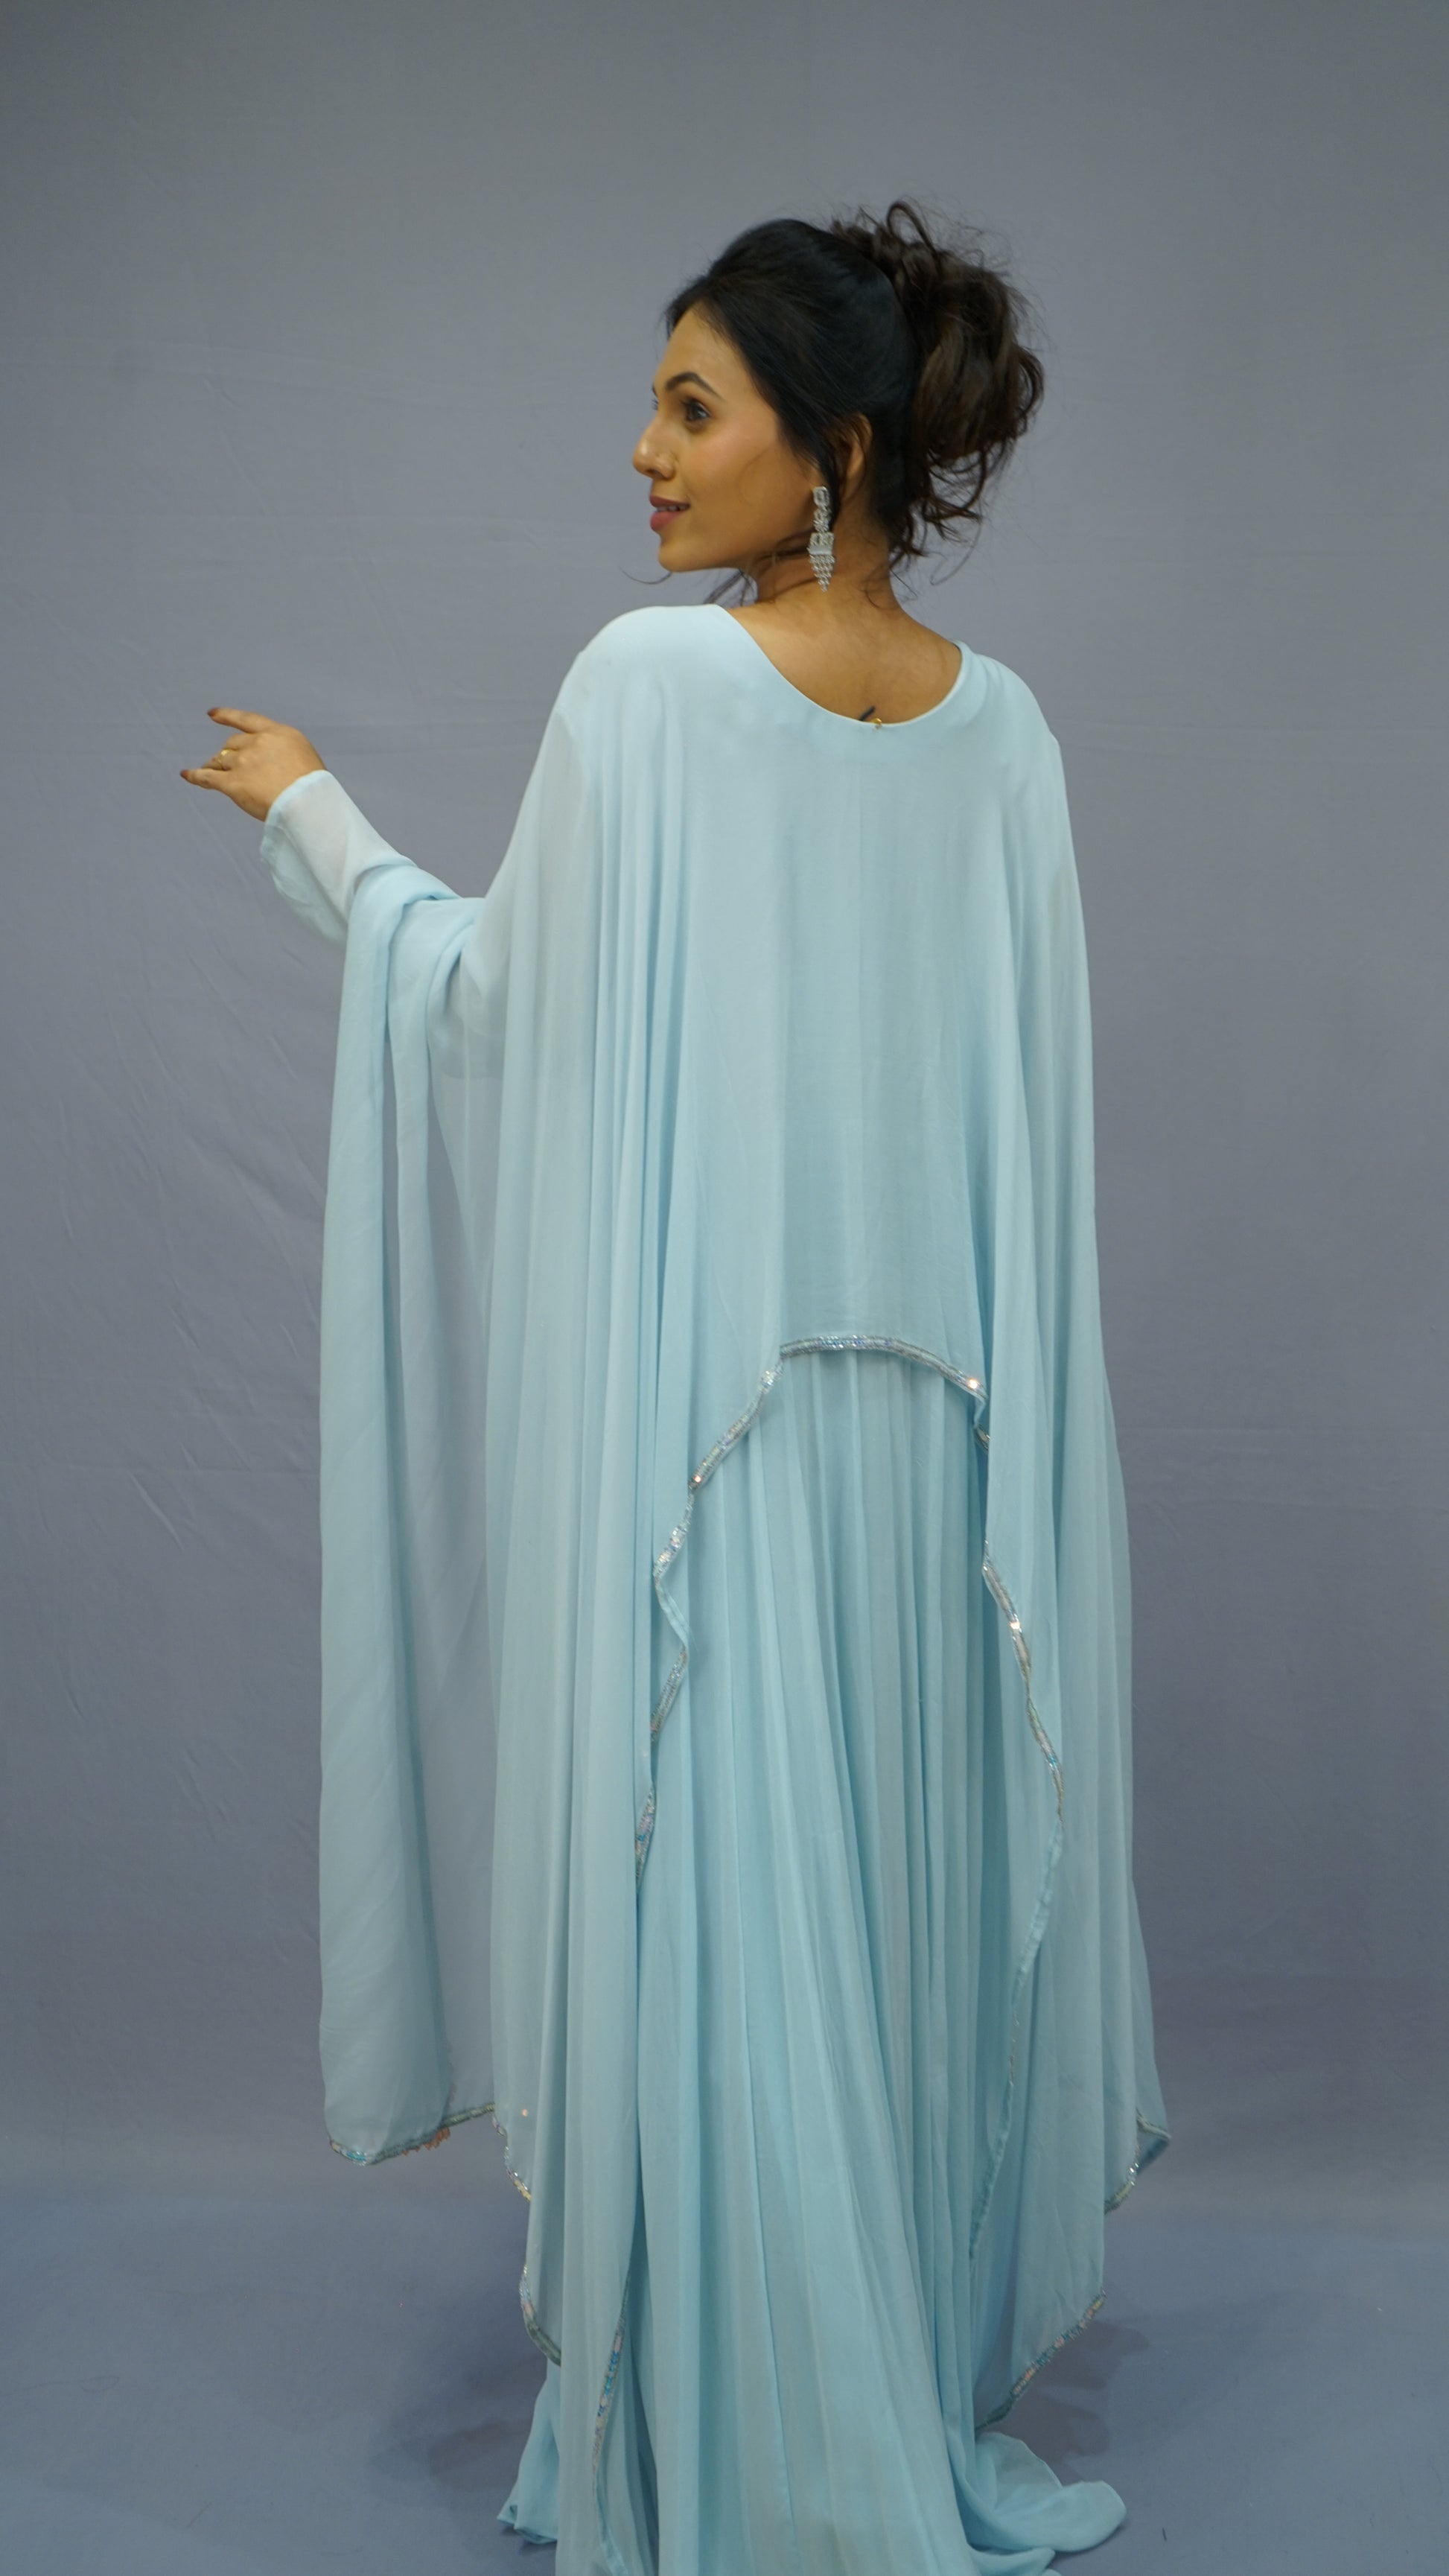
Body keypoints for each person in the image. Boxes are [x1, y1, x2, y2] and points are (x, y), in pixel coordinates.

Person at [182, 198, 1170, 2576]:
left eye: (689, 406)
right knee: (884, 1944)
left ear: (832, 448)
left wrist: (317, 819)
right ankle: (871, 2414)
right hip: (940, 1496)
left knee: (747, 1961)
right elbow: (1027, 1153)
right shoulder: (1004, 736)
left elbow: (495, 1010)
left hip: (708, 1494)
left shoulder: (647, 688)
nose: (641, 451)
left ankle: (767, 2453)